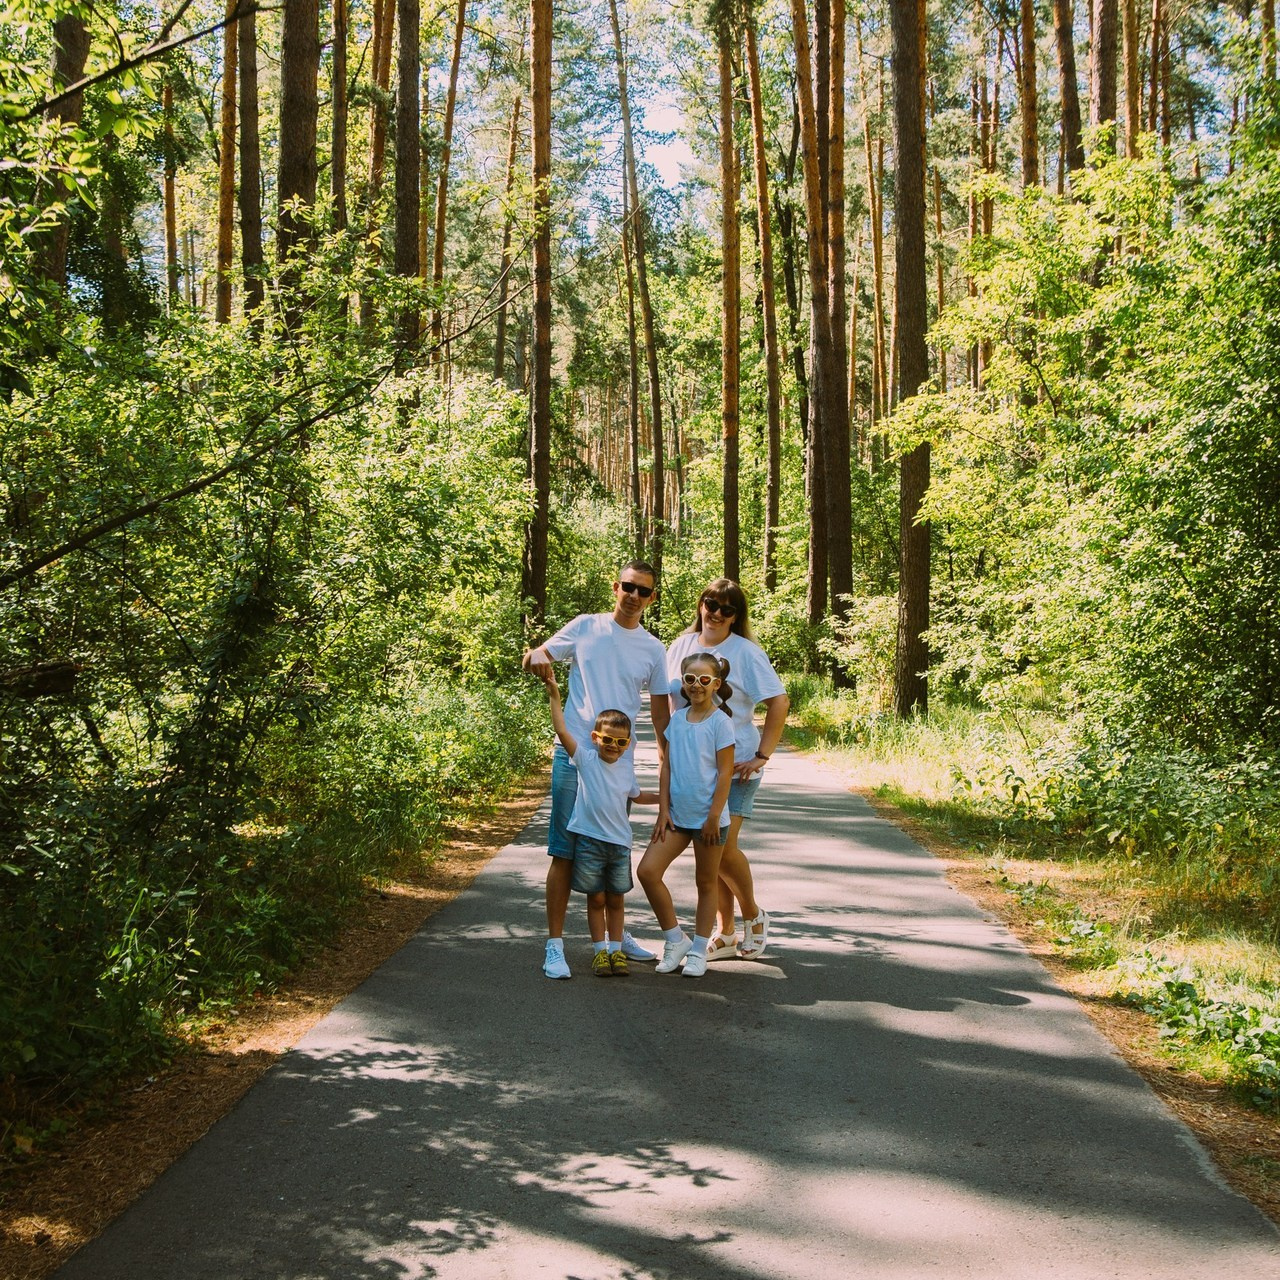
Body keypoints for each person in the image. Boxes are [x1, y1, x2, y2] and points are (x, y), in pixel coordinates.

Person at [522, 561, 671, 979]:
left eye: (643, 591)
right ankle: (555, 946)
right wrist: (535, 658)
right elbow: (537, 655)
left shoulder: (653, 649)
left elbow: (661, 719)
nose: (634, 596)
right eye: (628, 587)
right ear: (615, 587)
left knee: (609, 850)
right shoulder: (586, 627)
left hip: (618, 761)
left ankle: (615, 938)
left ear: (651, 598)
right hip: (575, 757)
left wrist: (667, 771)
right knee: (565, 851)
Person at [665, 578, 789, 960]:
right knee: (709, 850)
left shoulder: (746, 652)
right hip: (694, 770)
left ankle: (753, 915)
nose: (716, 613)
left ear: (736, 617)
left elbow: (779, 701)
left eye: (727, 609)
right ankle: (727, 932)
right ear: (701, 605)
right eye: (711, 604)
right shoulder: (680, 646)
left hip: (736, 768)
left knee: (721, 844)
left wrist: (763, 755)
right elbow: (670, 701)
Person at [540, 674, 658, 976]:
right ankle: (599, 953)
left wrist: (667, 799)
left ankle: (617, 951)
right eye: (607, 740)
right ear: (595, 738)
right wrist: (555, 693)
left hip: (619, 845)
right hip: (591, 843)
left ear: (628, 744)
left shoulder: (626, 770)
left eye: (620, 742)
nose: (613, 746)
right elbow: (562, 729)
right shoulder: (585, 760)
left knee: (616, 899)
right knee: (597, 899)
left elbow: (639, 795)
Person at [636, 651, 736, 978]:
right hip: (677, 818)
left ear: (716, 684)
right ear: (683, 683)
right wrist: (663, 809)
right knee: (648, 871)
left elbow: (724, 774)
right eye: (690, 679)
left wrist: (713, 816)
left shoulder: (721, 723)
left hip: (710, 821)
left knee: (706, 883)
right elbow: (667, 768)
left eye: (704, 680)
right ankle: (675, 938)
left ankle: (698, 951)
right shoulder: (677, 720)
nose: (696, 685)